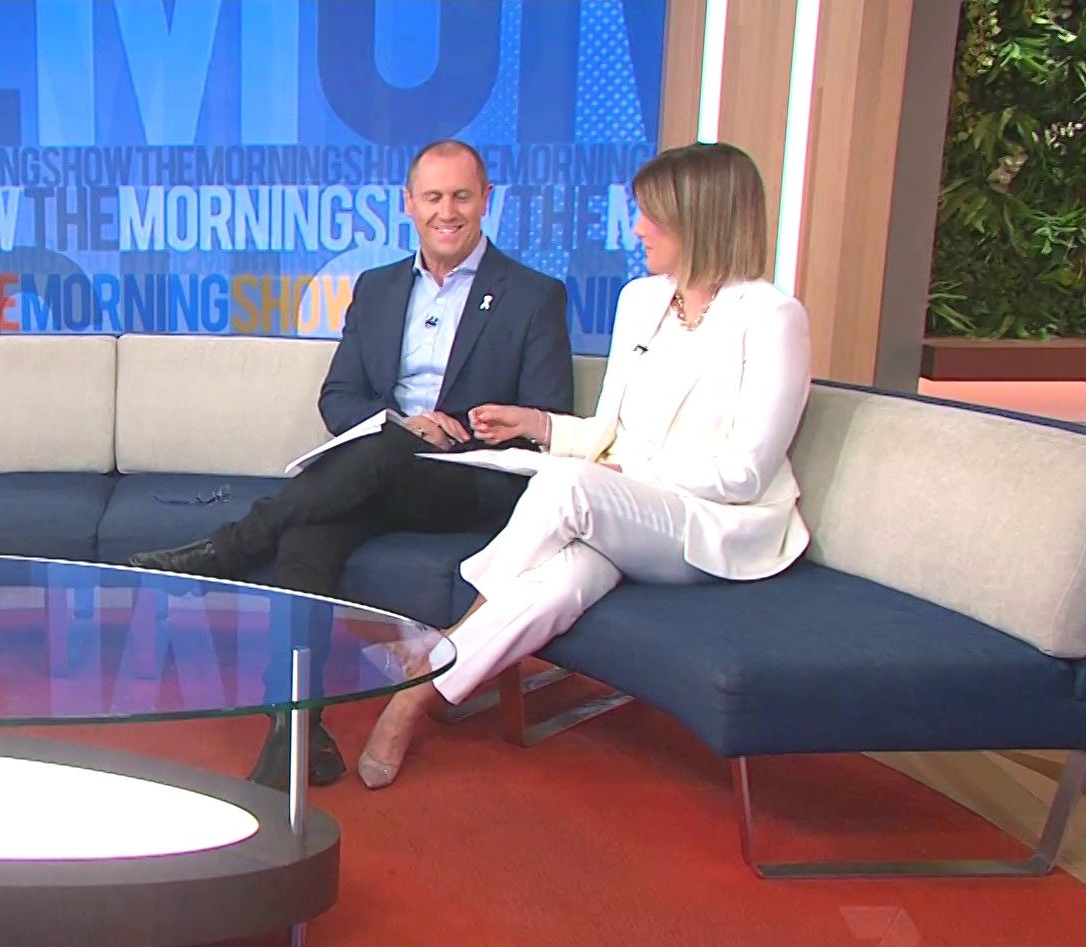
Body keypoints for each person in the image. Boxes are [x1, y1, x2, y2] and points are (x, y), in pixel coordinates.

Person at [355, 141, 812, 789]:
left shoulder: (771, 317)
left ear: (698, 219)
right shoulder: (642, 300)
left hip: (714, 525)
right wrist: (536, 425)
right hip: (621, 510)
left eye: (651, 215)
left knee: (568, 483)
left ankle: (440, 642)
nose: (637, 228)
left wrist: (624, 480)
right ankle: (413, 701)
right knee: (559, 585)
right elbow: (607, 434)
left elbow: (746, 472)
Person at [129, 139, 573, 788]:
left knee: (379, 454)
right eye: (432, 197)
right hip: (378, 474)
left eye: (461, 196)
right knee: (311, 533)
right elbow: (338, 398)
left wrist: (458, 432)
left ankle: (227, 548)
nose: (446, 211)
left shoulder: (534, 295)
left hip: (471, 480)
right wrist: (403, 426)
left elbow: (547, 417)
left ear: (486, 200)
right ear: (408, 204)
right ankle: (294, 728)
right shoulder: (379, 287)